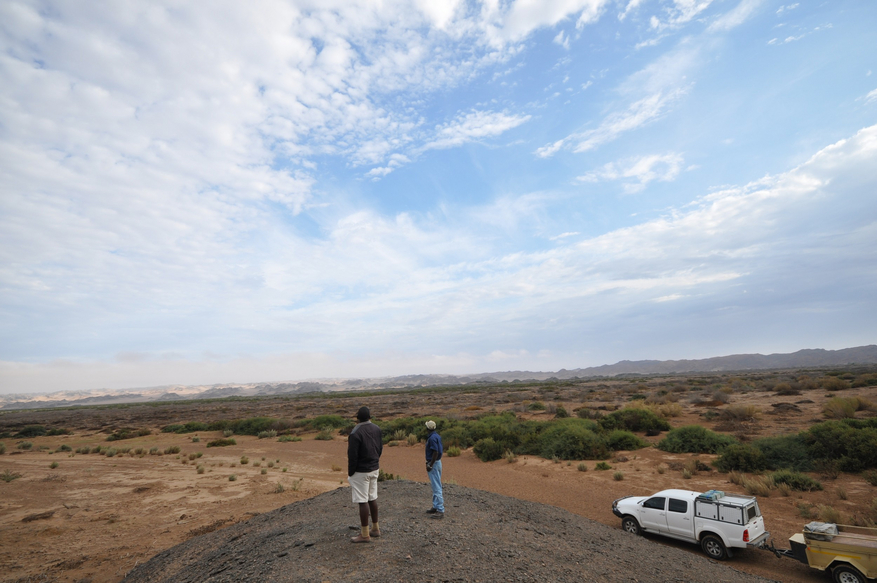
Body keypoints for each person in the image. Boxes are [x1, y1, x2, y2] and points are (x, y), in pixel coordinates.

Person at [347, 406, 383, 543]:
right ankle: (375, 528)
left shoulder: (355, 433)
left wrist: (351, 472)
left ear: (358, 418)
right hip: (374, 468)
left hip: (361, 471)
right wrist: (375, 461)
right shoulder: (377, 429)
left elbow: (352, 456)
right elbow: (380, 448)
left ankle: (365, 534)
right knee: (372, 498)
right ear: (369, 417)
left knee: (363, 501)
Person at [424, 420, 444, 519]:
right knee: (436, 484)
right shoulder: (436, 436)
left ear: (428, 428)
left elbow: (435, 452)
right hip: (437, 462)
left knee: (436, 486)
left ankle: (440, 509)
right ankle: (436, 506)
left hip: (434, 463)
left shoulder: (431, 438)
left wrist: (430, 465)